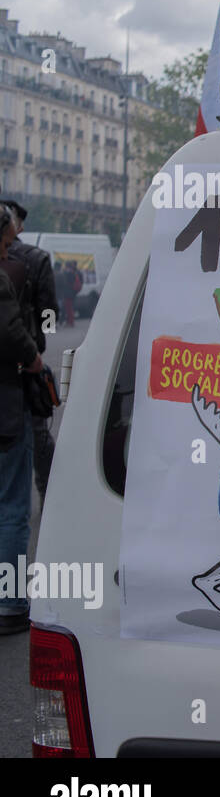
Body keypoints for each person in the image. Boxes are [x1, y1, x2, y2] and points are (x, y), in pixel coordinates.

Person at [0, 206, 45, 635]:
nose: (9, 249)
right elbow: (13, 335)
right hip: (7, 407)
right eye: (6, 242)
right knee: (13, 507)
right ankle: (10, 603)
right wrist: (34, 360)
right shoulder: (5, 277)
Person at [2, 200, 58, 498]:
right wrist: (43, 338)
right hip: (24, 357)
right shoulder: (37, 258)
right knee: (36, 431)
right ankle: (47, 491)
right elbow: (48, 308)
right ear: (18, 226)